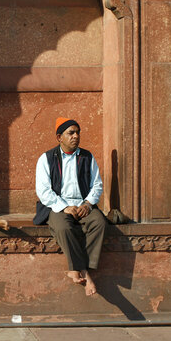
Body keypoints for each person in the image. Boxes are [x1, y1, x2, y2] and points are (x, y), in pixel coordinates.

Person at [34, 118, 106, 296]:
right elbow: (43, 191)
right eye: (71, 133)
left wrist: (88, 204)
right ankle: (85, 273)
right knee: (63, 227)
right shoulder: (46, 158)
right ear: (59, 137)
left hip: (83, 204)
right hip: (57, 206)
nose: (76, 136)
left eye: (77, 132)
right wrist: (64, 207)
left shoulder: (87, 157)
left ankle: (77, 269)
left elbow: (97, 185)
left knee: (99, 223)